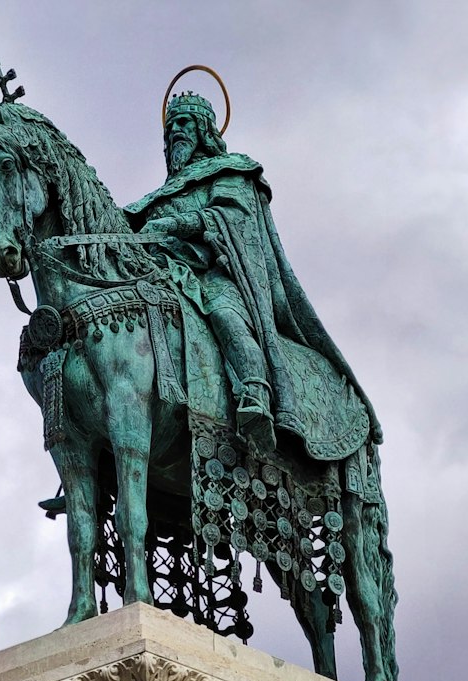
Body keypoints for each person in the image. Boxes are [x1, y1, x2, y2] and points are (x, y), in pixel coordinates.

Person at [125, 90, 382, 457]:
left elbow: (231, 217)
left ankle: (255, 391)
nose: (174, 132)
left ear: (203, 129)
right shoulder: (156, 195)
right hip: (157, 272)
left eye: (183, 123)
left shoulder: (230, 170)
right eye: (170, 127)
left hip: (212, 273)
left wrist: (176, 224)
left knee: (224, 314)